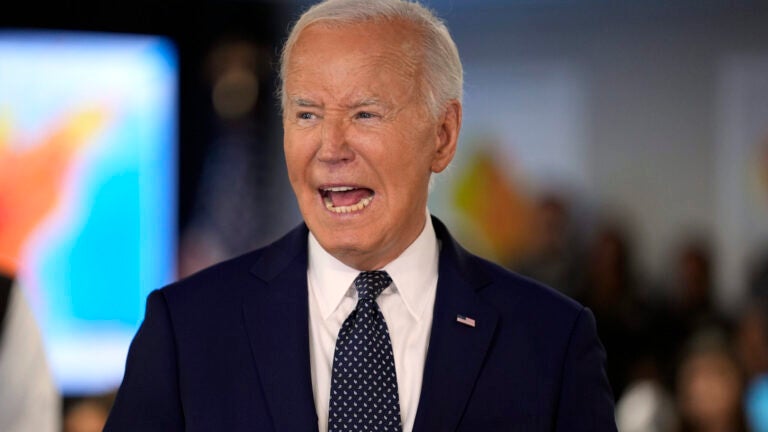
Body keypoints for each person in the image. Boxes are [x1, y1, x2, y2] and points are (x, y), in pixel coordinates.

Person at [104, 0, 617, 430]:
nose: (330, 148)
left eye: (364, 114)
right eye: (307, 114)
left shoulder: (551, 340)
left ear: (443, 135)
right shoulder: (185, 328)